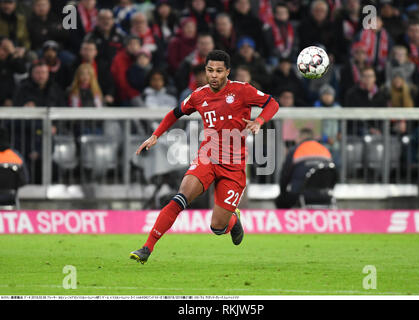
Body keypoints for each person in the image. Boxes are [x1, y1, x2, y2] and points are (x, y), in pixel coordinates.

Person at [129, 49, 280, 264]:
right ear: (205, 71)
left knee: (217, 227)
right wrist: (155, 135)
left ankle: (232, 220)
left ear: (227, 72)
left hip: (234, 166)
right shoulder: (199, 95)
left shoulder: (242, 91)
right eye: (210, 70)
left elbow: (272, 103)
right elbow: (175, 113)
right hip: (207, 158)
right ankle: (146, 248)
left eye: (219, 71)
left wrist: (259, 121)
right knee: (181, 197)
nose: (214, 75)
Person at [275, 127, 333, 209]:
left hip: (300, 195)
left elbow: (285, 175)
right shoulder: (325, 150)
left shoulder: (295, 150)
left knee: (280, 201)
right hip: (324, 195)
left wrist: (283, 193)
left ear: (300, 138)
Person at [110, 35, 142, 106]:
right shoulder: (119, 59)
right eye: (131, 44)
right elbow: (121, 82)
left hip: (140, 94)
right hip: (125, 97)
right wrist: (134, 94)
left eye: (136, 44)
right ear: (126, 46)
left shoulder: (142, 57)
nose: (133, 47)